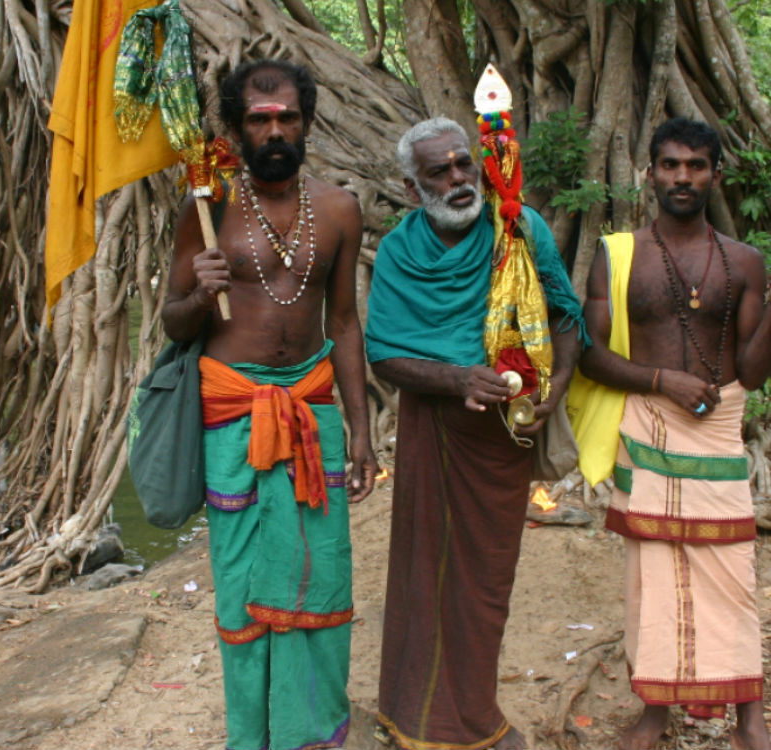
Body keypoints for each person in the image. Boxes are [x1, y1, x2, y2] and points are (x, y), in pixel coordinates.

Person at [161, 59, 377, 750]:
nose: (275, 129)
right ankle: (252, 738)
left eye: (287, 116)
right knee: (243, 586)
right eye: (260, 118)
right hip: (233, 415)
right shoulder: (207, 206)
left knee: (321, 578)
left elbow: (344, 323)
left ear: (307, 122)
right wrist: (198, 293)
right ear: (236, 128)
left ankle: (309, 736)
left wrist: (364, 432)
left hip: (313, 414)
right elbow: (172, 321)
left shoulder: (339, 207)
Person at [365, 117, 586, 750]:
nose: (460, 179)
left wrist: (556, 387)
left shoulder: (520, 227)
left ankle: (470, 712)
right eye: (441, 171)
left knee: (486, 580)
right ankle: (417, 718)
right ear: (414, 188)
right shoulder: (402, 251)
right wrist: (456, 378)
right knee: (424, 569)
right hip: (436, 425)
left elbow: (564, 312)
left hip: (506, 434)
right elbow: (382, 353)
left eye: (465, 164)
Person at [576, 117, 771, 750]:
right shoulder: (617, 253)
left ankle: (749, 718)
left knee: (733, 574)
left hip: (717, 434)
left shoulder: (743, 261)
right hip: (649, 425)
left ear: (716, 173)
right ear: (650, 173)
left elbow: (754, 369)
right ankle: (655, 715)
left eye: (695, 165)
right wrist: (663, 380)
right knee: (652, 578)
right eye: (669, 164)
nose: (681, 176)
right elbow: (590, 354)